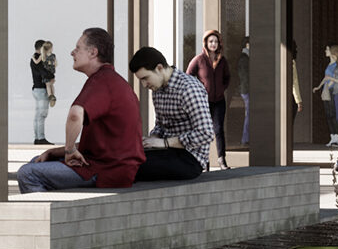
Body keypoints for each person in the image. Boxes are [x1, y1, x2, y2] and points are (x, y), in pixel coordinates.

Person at [17, 27, 143, 192]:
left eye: (77, 48)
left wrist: (69, 150)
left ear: (93, 52)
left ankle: (51, 217)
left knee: (28, 174)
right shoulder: (112, 81)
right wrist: (54, 152)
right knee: (38, 160)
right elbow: (99, 144)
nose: (72, 53)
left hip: (106, 171)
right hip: (112, 166)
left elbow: (75, 115)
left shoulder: (101, 82)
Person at [128, 46, 211, 182]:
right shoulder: (157, 89)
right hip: (167, 152)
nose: (144, 85)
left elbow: (205, 133)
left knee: (131, 166)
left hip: (190, 158)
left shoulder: (189, 89)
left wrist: (165, 143)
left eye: (145, 78)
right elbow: (161, 124)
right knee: (124, 156)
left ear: (159, 68)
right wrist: (151, 139)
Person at [187, 29, 232, 169]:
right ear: (206, 43)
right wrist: (199, 90)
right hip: (203, 103)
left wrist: (221, 89)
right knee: (205, 132)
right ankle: (205, 162)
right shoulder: (199, 60)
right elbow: (188, 76)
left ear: (219, 44)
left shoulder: (222, 61)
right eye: (211, 41)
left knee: (218, 130)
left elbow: (227, 78)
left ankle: (221, 160)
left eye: (216, 41)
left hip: (219, 101)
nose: (213, 44)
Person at [318, 44, 338, 149]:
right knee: (329, 115)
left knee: (336, 115)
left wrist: (331, 83)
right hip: (328, 91)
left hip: (335, 91)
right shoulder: (330, 65)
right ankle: (334, 136)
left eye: (327, 49)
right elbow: (326, 78)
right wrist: (319, 87)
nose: (325, 51)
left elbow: (336, 79)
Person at [29, 39, 59, 144]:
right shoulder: (40, 59)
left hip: (37, 89)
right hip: (42, 90)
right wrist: (52, 77)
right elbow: (44, 73)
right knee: (42, 114)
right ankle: (40, 138)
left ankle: (38, 138)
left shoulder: (34, 58)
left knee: (38, 115)